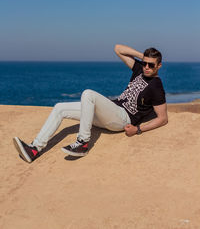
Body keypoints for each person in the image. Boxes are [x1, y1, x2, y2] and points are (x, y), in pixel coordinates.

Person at [13, 44, 168, 163]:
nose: (147, 68)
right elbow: (118, 48)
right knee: (60, 108)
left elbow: (162, 118)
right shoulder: (140, 69)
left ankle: (83, 143)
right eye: (145, 64)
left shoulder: (156, 86)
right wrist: (144, 57)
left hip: (123, 118)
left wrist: (138, 129)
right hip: (111, 112)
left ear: (159, 66)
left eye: (151, 65)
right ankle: (34, 149)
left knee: (88, 94)